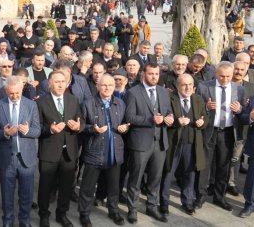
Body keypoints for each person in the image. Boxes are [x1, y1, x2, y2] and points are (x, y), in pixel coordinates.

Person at [124, 62, 173, 223]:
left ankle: (152, 206)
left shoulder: (163, 92)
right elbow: (130, 117)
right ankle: (132, 209)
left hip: (160, 143)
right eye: (151, 74)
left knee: (155, 177)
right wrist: (150, 119)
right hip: (140, 143)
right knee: (136, 178)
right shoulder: (133, 93)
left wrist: (170, 118)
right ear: (143, 74)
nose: (154, 77)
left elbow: (168, 111)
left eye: (157, 74)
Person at [78, 74, 128, 227]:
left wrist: (125, 127)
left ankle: (113, 211)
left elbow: (126, 123)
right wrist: (92, 129)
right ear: (98, 86)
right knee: (88, 186)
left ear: (115, 87)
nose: (107, 88)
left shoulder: (120, 103)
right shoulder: (88, 103)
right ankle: (84, 214)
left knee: (114, 187)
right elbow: (80, 126)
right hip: (95, 151)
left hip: (114, 151)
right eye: (104, 85)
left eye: (111, 85)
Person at [0, 76, 41, 227]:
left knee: (26, 194)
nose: (14, 96)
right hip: (6, 157)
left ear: (21, 89)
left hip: (26, 158)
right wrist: (5, 133)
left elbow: (37, 131)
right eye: (11, 93)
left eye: (17, 93)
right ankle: (7, 221)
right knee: (7, 194)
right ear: (6, 91)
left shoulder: (31, 105)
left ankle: (24, 221)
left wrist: (27, 131)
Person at [37, 71, 84, 227]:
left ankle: (61, 214)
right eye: (56, 82)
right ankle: (44, 215)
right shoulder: (41, 102)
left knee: (66, 186)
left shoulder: (73, 99)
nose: (60, 84)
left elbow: (81, 119)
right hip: (49, 151)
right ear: (49, 84)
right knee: (45, 186)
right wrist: (50, 129)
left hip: (69, 151)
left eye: (63, 81)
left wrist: (79, 126)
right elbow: (37, 127)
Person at [196, 61, 243, 211]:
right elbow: (196, 108)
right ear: (216, 74)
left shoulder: (239, 89)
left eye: (228, 76)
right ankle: (200, 196)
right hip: (209, 130)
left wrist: (240, 109)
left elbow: (243, 111)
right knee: (204, 165)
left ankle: (219, 197)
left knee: (224, 166)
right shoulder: (204, 86)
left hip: (228, 132)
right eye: (222, 76)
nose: (225, 79)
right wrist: (206, 107)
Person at [159, 74, 207, 216]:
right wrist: (175, 121)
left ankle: (187, 202)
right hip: (174, 143)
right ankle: (164, 203)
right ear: (177, 86)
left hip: (191, 144)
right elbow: (164, 118)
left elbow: (206, 118)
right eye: (184, 84)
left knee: (189, 174)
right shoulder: (169, 98)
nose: (187, 87)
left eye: (190, 84)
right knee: (168, 173)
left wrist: (202, 123)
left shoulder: (198, 99)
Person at [239, 93, 254, 217]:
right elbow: (243, 118)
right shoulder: (253, 99)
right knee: (253, 176)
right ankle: (250, 204)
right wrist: (251, 117)